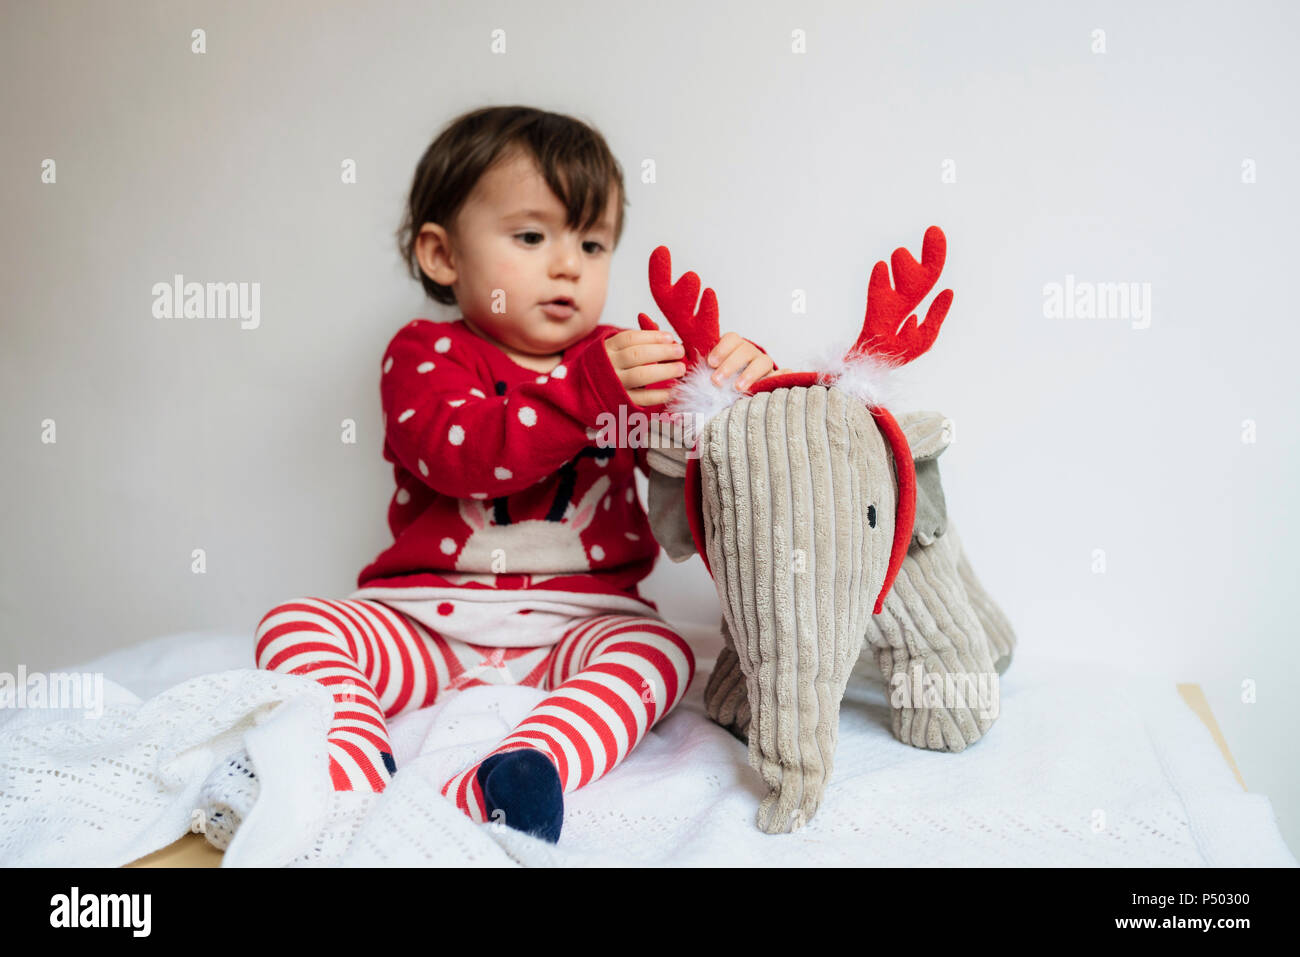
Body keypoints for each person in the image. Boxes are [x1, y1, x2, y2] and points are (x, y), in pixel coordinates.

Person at [201, 105, 775, 847]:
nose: (568, 263)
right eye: (532, 236)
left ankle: (526, 765)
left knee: (658, 656)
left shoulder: (620, 361)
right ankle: (353, 761)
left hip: (578, 619)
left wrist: (731, 383)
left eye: (593, 242)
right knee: (296, 624)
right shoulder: (427, 355)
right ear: (443, 255)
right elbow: (458, 454)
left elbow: (700, 461)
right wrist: (585, 392)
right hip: (429, 618)